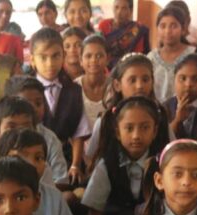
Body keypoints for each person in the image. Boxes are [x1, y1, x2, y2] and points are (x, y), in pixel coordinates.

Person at [81, 96, 169, 215]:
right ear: (117, 132)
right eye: (129, 128)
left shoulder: (163, 165)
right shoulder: (107, 164)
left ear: (155, 131)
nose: (136, 135)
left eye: (145, 127)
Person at [29, 27, 91, 181]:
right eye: (43, 57)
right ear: (32, 60)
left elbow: (78, 133)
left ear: (63, 56)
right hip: (31, 158)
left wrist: (75, 165)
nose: (50, 63)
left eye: (56, 56)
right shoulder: (24, 90)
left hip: (65, 158)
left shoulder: (73, 90)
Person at [84, 53, 165, 161]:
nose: (140, 86)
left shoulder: (160, 116)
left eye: (145, 80)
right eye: (132, 80)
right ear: (117, 85)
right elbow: (91, 157)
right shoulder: (106, 120)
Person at [148, 7, 197, 103]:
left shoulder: (193, 54)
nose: (168, 31)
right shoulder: (151, 57)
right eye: (163, 26)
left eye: (174, 26)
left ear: (183, 29)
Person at [97, 0, 149, 68]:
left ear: (131, 11)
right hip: (104, 67)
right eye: (116, 7)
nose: (119, 12)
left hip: (128, 67)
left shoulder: (137, 30)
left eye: (124, 8)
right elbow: (98, 48)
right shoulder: (103, 25)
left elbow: (137, 56)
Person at [76, 35, 109, 135]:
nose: (94, 60)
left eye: (99, 56)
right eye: (88, 56)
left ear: (107, 59)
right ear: (81, 60)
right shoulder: (74, 88)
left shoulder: (114, 87)